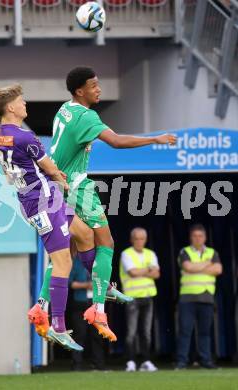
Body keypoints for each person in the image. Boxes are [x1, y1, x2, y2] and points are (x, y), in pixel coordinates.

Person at [31, 66, 177, 342]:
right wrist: (155, 139)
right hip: (74, 184)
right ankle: (99, 306)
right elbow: (117, 142)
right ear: (79, 91)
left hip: (53, 185)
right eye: (94, 85)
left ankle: (42, 305)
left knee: (69, 249)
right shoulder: (87, 116)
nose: (99, 89)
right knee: (106, 241)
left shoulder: (66, 108)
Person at [0, 84, 84, 351]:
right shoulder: (25, 137)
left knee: (81, 236)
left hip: (36, 200)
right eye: (21, 101)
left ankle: (41, 305)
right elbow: (51, 168)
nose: (25, 105)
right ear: (11, 107)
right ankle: (57, 326)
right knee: (63, 261)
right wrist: (62, 178)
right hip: (44, 202)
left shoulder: (0, 137)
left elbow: (11, 175)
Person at [176, 224, 222, 370]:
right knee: (185, 331)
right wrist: (207, 265)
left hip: (206, 297)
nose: (198, 238)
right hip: (188, 298)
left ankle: (206, 360)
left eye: (200, 236)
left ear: (205, 237)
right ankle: (182, 361)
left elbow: (218, 269)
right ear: (191, 237)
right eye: (195, 236)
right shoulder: (185, 251)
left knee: (205, 332)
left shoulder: (212, 252)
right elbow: (187, 267)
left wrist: (197, 267)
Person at [120, 228, 160, 372]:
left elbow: (157, 274)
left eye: (142, 238)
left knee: (146, 332)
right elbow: (132, 272)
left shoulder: (151, 253)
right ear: (131, 240)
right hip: (132, 297)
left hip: (148, 296)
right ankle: (130, 361)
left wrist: (141, 271)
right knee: (132, 332)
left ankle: (146, 361)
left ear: (146, 239)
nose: (139, 241)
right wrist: (148, 269)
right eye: (136, 238)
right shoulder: (126, 253)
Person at [69, 258, 105, 371]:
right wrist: (86, 285)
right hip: (80, 303)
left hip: (96, 303)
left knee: (97, 335)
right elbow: (70, 283)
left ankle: (98, 365)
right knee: (80, 334)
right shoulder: (76, 263)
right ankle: (76, 365)